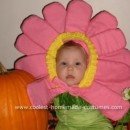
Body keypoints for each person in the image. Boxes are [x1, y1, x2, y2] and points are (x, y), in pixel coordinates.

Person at [53, 40, 113, 130]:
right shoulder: (53, 86)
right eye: (64, 63)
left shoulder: (94, 85)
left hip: (95, 124)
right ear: (55, 67)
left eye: (77, 63)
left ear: (87, 68)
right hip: (66, 126)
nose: (70, 68)